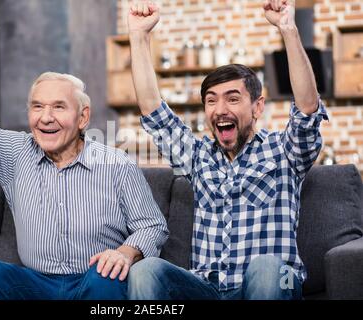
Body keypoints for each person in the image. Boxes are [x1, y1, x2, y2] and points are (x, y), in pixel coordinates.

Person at [0, 12, 168, 300]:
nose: (46, 117)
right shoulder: (14, 153)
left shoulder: (115, 163)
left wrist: (124, 252)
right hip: (34, 282)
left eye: (59, 107)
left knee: (106, 278)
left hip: (93, 278)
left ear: (83, 117)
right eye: (37, 107)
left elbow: (152, 225)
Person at [127, 0, 328, 300]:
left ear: (257, 106)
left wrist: (288, 28)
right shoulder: (197, 157)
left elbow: (307, 110)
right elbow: (153, 111)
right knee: (145, 270)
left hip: (272, 282)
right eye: (211, 100)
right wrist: (138, 36)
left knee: (266, 268)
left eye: (233, 98)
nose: (220, 109)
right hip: (207, 289)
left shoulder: (284, 152)